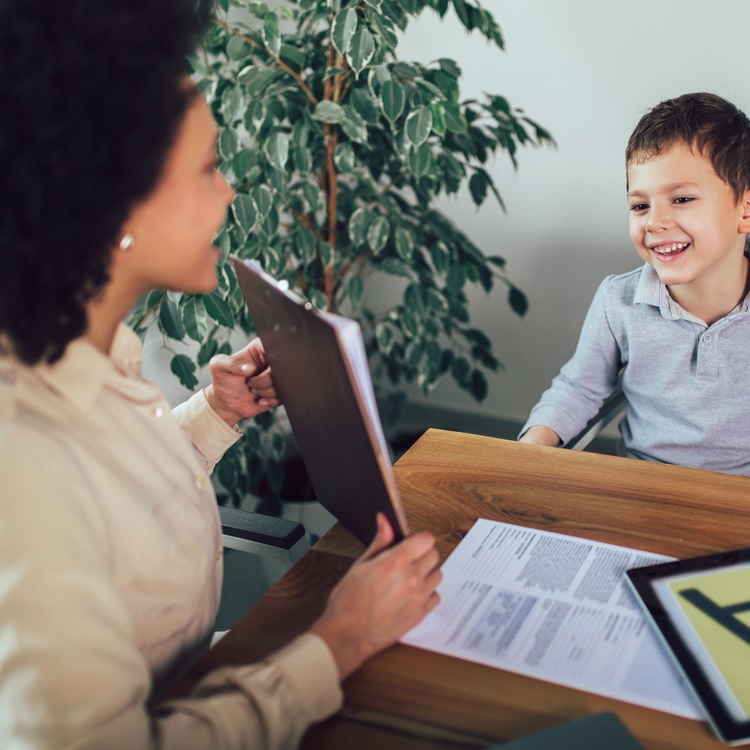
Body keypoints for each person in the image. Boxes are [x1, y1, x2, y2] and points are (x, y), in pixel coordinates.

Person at [0, 1, 442, 748]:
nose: (231, 192)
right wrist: (335, 645)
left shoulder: (90, 351)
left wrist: (216, 411)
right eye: (209, 168)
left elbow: (107, 498)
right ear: (111, 200)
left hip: (204, 674)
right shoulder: (21, 466)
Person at [520, 92, 750, 475]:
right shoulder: (618, 300)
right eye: (640, 205)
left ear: (744, 211)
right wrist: (529, 450)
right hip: (642, 487)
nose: (654, 222)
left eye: (681, 198)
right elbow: (579, 388)